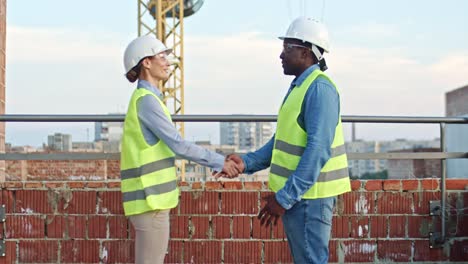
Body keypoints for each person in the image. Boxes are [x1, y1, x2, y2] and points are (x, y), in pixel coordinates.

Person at [224, 17, 351, 263]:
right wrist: (246, 163)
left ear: (305, 52)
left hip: (309, 198)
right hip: (299, 196)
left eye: (287, 48)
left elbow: (317, 150)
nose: (280, 55)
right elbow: (282, 141)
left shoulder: (319, 90)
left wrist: (283, 198)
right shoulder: (300, 87)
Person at [120, 35, 239, 264]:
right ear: (146, 62)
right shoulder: (147, 101)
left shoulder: (147, 99)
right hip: (150, 202)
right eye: (162, 57)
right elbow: (178, 144)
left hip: (149, 202)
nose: (168, 62)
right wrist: (219, 162)